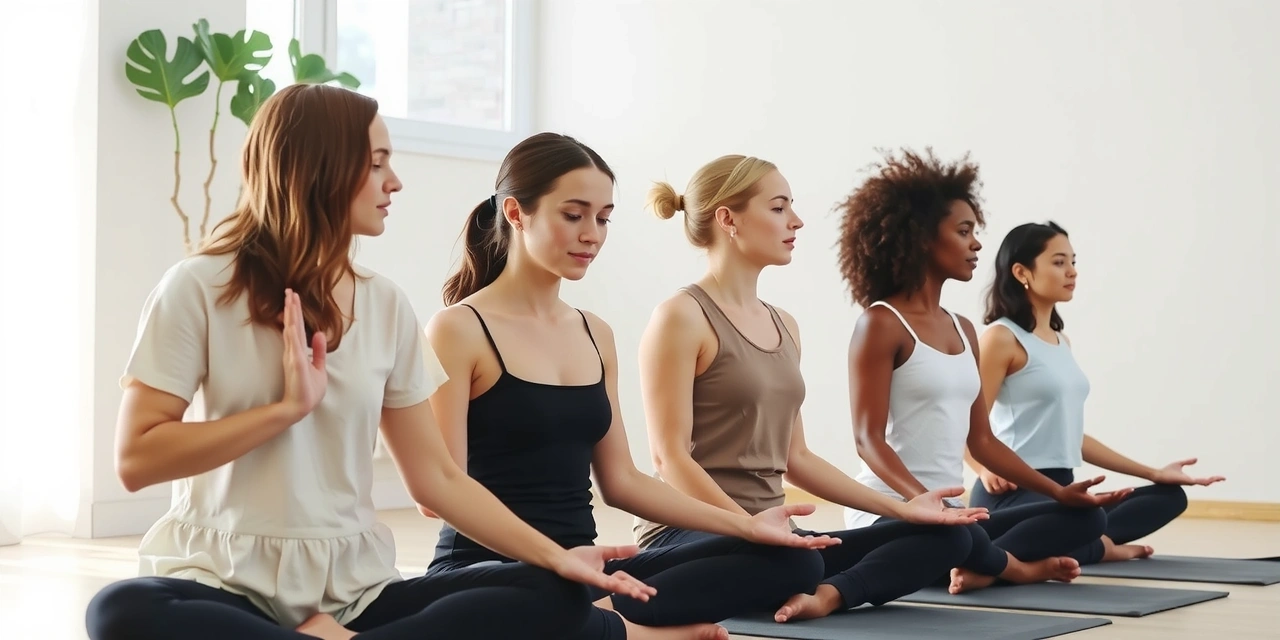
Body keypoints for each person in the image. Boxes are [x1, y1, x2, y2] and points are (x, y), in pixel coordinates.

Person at [83, 85, 657, 640]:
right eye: (378, 162)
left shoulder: (384, 304)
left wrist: (559, 559)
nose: (395, 182)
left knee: (552, 592)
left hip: (354, 591)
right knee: (120, 609)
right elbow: (136, 458)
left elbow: (436, 478)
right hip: (221, 577)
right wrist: (283, 411)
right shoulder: (198, 286)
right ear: (321, 167)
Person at [420, 132, 841, 640]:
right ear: (516, 213)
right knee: (524, 603)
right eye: (573, 215)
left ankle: (603, 621)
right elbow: (437, 492)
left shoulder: (595, 333)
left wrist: (747, 526)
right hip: (490, 572)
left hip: (589, 573)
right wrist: (553, 561)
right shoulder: (457, 329)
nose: (592, 234)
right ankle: (623, 629)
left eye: (603, 218)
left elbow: (622, 481)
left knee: (791, 564)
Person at [634, 153, 991, 625]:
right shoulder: (680, 317)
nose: (796, 221)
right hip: (690, 531)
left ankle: (827, 594)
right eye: (779, 207)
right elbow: (669, 459)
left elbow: (797, 458)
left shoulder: (785, 325)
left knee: (949, 537)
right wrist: (747, 527)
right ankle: (626, 592)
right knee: (797, 560)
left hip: (773, 534)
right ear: (728, 219)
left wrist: (903, 508)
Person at [837, 148, 1132, 595]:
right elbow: (867, 440)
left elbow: (982, 441)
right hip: (893, 507)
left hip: (953, 513)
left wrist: (1058, 494)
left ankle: (983, 562)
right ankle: (1013, 567)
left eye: (976, 231)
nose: (976, 243)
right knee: (952, 536)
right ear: (919, 238)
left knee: (1087, 516)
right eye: (963, 231)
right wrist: (921, 503)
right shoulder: (880, 324)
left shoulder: (964, 328)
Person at [967, 220, 1225, 564]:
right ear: (1021, 271)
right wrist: (984, 470)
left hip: (1062, 489)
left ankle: (1083, 544)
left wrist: (1153, 473)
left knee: (1170, 497)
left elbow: (1072, 435)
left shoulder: (1061, 343)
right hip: (1013, 491)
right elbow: (967, 426)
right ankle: (1096, 548)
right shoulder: (1000, 339)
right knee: (1085, 519)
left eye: (1073, 262)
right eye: (1059, 262)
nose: (1071, 271)